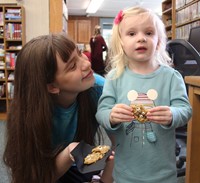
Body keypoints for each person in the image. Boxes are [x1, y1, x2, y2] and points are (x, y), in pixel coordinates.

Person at [96, 6, 192, 183]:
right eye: (132, 34)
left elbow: (185, 110)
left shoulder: (171, 77)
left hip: (163, 173)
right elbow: (102, 112)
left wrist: (172, 114)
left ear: (158, 41)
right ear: (121, 42)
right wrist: (111, 115)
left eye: (149, 33)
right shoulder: (114, 77)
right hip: (125, 172)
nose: (141, 38)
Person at [3, 33, 114, 183]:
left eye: (80, 53)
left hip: (80, 165)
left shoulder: (99, 89)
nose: (86, 64)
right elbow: (33, 177)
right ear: (52, 87)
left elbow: (120, 144)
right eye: (73, 66)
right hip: (45, 170)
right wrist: (69, 153)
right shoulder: (29, 114)